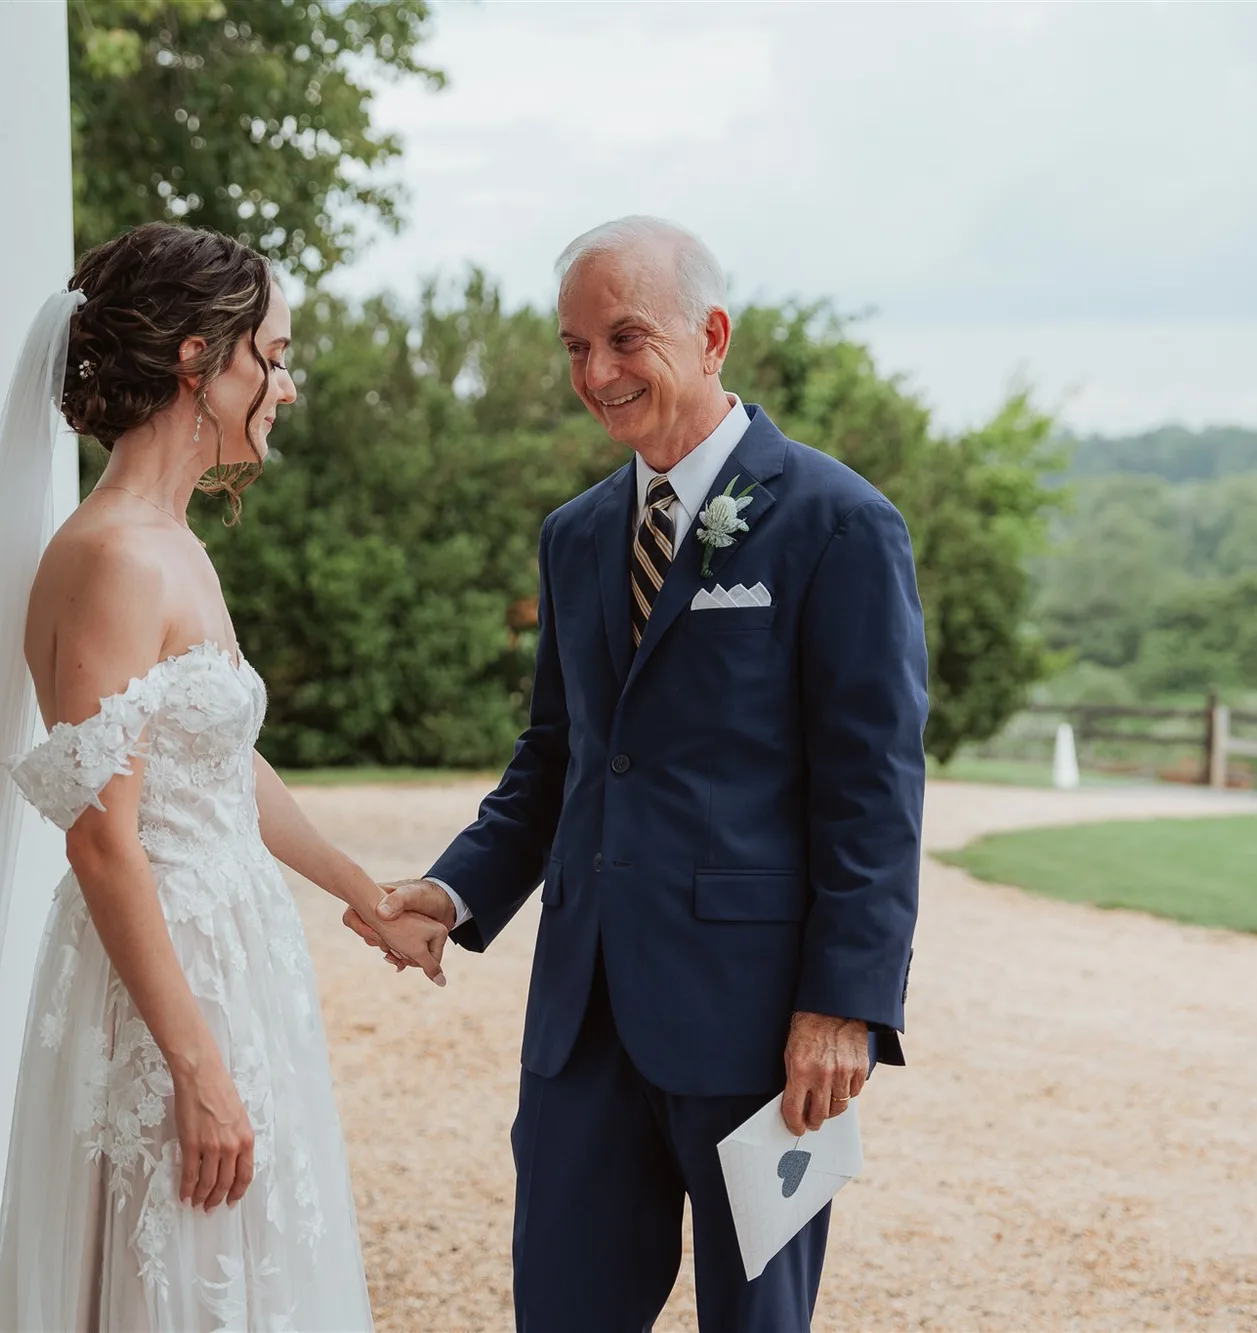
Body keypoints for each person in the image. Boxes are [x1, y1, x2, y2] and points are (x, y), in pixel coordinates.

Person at [0, 223, 446, 1332]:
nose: (286, 385)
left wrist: (360, 893)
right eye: (269, 355)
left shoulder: (172, 542)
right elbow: (102, 838)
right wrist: (198, 1069)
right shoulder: (113, 558)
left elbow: (219, 764)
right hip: (164, 980)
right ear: (196, 359)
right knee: (175, 1272)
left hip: (227, 952)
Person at [357, 216, 928, 1333]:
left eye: (624, 338)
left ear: (710, 334)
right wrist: (454, 889)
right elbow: (558, 757)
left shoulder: (838, 524)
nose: (596, 374)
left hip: (761, 1031)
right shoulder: (574, 537)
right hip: (579, 1025)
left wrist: (842, 1006)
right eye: (574, 348)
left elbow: (872, 790)